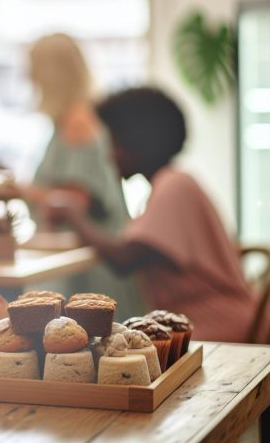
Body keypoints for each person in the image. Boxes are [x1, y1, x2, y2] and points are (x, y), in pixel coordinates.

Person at [46, 87, 256, 342]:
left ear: (136, 143)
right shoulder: (172, 184)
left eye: (115, 143)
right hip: (208, 323)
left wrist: (73, 214)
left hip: (216, 327)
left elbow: (124, 258)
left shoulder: (173, 186)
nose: (109, 155)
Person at [20, 33, 144, 317]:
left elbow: (78, 199)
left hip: (92, 264)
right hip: (85, 256)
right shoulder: (70, 119)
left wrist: (22, 190)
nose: (29, 78)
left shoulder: (78, 122)